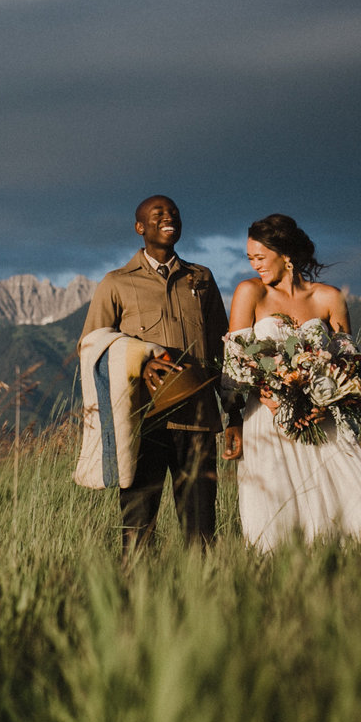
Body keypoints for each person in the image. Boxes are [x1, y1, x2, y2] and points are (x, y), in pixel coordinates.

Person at [225, 214, 361, 550]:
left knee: (352, 507)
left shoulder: (329, 298)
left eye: (260, 258)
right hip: (267, 420)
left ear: (286, 255)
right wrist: (266, 393)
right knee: (277, 512)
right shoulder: (249, 292)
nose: (255, 266)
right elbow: (236, 361)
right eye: (250, 258)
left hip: (321, 419)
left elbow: (348, 366)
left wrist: (325, 401)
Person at [82, 195, 240, 553]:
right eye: (158, 214)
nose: (169, 217)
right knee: (137, 528)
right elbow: (91, 346)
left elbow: (223, 349)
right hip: (142, 423)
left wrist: (234, 412)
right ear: (140, 228)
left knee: (201, 528)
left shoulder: (201, 279)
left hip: (198, 420)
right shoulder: (116, 282)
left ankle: (203, 600)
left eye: (174, 213)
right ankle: (135, 602)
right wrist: (140, 359)